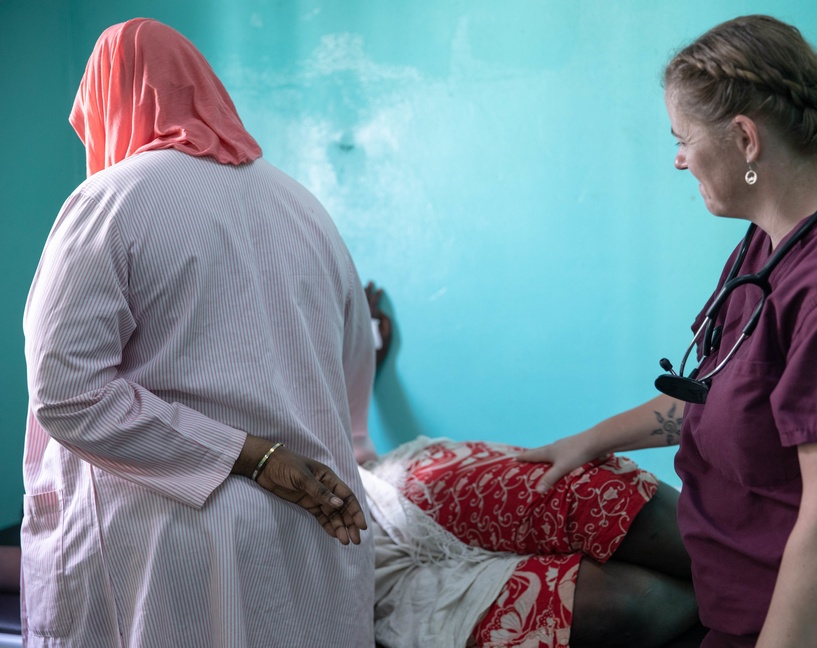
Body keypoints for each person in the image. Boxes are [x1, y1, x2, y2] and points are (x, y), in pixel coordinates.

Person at [519, 15, 817, 647]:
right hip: (747, 605)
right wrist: (588, 440)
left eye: (683, 138)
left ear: (744, 138)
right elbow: (726, 395)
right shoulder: (768, 248)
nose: (678, 160)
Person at [22, 19, 373, 647]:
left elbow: (67, 396)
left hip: (170, 542)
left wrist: (252, 457)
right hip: (313, 531)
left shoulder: (110, 200)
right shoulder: (306, 210)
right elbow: (350, 378)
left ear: (114, 98)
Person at [360, 284, 702, 648]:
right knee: (613, 612)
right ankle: (749, 597)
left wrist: (353, 351)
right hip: (355, 579)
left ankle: (752, 575)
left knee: (599, 494)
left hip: (381, 486)